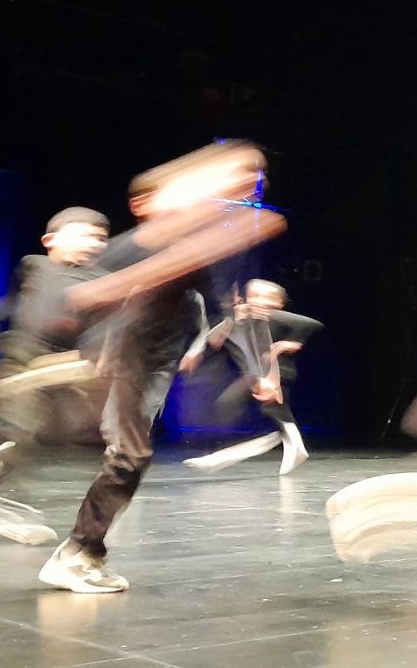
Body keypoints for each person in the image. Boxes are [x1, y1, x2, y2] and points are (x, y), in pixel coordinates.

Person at [39, 140, 284, 593]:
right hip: (116, 359)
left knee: (129, 459)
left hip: (150, 364)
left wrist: (258, 370)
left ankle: (80, 551)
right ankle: (76, 552)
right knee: (106, 453)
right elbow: (90, 297)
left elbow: (220, 309)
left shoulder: (201, 242)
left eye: (250, 181)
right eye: (237, 179)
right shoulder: (146, 241)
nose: (245, 188)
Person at [0, 207, 110, 545]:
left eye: (100, 239)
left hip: (66, 368)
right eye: (83, 235)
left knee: (53, 433)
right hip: (24, 360)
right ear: (50, 240)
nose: (93, 244)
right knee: (21, 431)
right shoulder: (35, 266)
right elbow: (8, 302)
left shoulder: (101, 280)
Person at [180, 279, 322, 475]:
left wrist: (293, 342)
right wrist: (197, 351)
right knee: (231, 405)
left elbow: (310, 324)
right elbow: (224, 338)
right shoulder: (243, 320)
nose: (258, 301)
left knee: (277, 417)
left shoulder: (276, 317)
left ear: (278, 303)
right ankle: (285, 441)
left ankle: (221, 458)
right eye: (254, 296)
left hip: (276, 376)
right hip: (255, 377)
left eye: (265, 297)